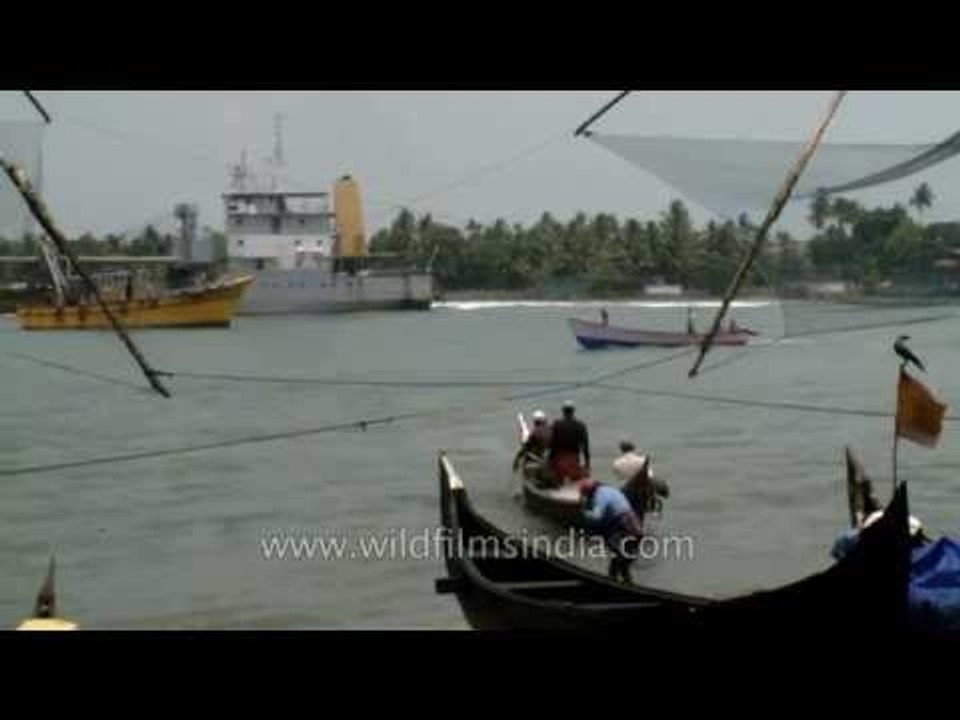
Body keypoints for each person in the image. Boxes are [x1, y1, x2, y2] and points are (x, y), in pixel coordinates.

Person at [578, 475, 644, 584]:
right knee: (623, 557)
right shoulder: (608, 489)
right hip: (633, 522)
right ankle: (621, 580)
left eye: (586, 494)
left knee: (619, 554)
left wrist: (583, 513)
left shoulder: (599, 496)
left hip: (624, 524)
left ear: (590, 492)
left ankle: (616, 579)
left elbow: (597, 516)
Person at [549, 401, 590, 483]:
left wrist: (549, 459)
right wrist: (587, 464)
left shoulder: (556, 424)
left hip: (559, 460)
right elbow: (585, 447)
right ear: (573, 411)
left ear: (563, 411)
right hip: (574, 460)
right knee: (576, 480)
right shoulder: (580, 425)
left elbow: (551, 444)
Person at [513, 410, 553, 482]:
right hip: (549, 458)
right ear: (545, 420)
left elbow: (525, 448)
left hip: (540, 459)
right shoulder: (551, 430)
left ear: (535, 422)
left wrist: (516, 460)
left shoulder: (535, 432)